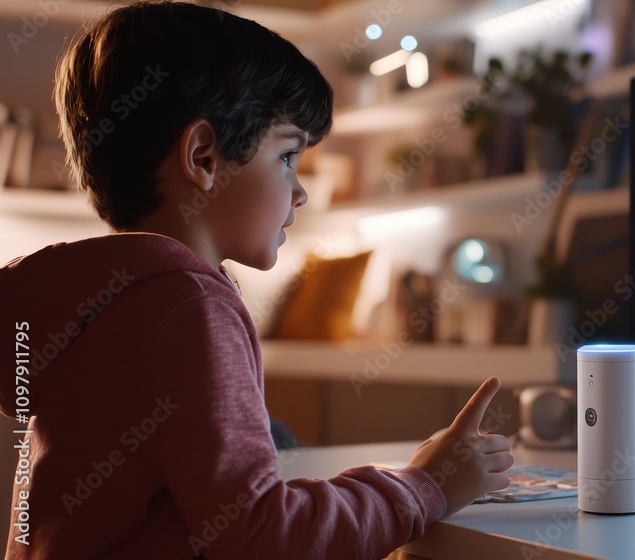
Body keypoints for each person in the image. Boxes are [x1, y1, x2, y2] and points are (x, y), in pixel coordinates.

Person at [0, 2, 513, 559]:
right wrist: (426, 486)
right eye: (288, 155)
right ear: (203, 156)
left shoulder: (95, 301)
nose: (301, 191)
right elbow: (264, 538)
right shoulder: (188, 306)